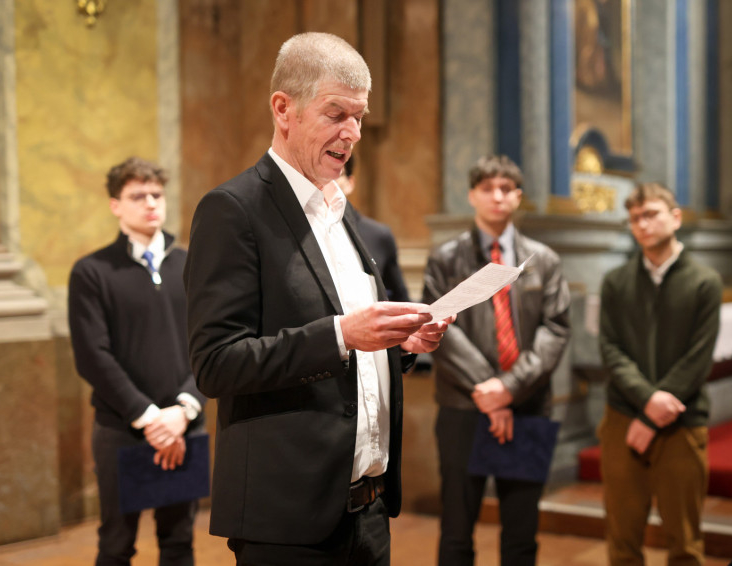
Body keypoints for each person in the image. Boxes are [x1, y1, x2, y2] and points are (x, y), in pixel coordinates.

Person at [183, 32, 452, 566]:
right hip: (289, 519)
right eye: (336, 114)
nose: (352, 133)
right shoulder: (233, 210)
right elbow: (215, 364)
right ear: (284, 109)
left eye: (359, 116)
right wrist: (341, 335)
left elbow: (357, 350)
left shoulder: (341, 214)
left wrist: (401, 343)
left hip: (369, 510)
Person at [422, 154, 571, 566]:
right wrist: (488, 389)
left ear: (518, 197)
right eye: (487, 188)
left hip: (527, 405)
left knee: (521, 535)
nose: (497, 197)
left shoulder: (544, 260)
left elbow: (556, 329)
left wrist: (508, 388)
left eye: (506, 189)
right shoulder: (445, 257)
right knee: (456, 532)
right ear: (472, 195)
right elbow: (439, 327)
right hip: (463, 407)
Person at [68, 156, 206, 565]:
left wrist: (182, 411)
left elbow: (210, 343)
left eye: (156, 194)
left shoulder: (191, 264)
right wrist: (150, 419)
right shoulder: (92, 271)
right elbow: (92, 356)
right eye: (137, 196)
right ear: (115, 205)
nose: (150, 203)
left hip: (185, 424)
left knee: (179, 543)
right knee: (116, 545)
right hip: (123, 428)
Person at [598, 182, 722, 566]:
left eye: (651, 214)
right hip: (623, 417)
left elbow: (699, 357)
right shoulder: (615, 281)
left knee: (685, 543)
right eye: (635, 218)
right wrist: (648, 400)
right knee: (622, 540)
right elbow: (610, 349)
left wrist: (653, 414)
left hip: (681, 420)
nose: (642, 224)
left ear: (676, 217)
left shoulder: (704, 281)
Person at [336, 153, 411, 302]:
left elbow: (400, 299)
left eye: (338, 174)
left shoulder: (379, 235)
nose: (328, 182)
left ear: (350, 183)